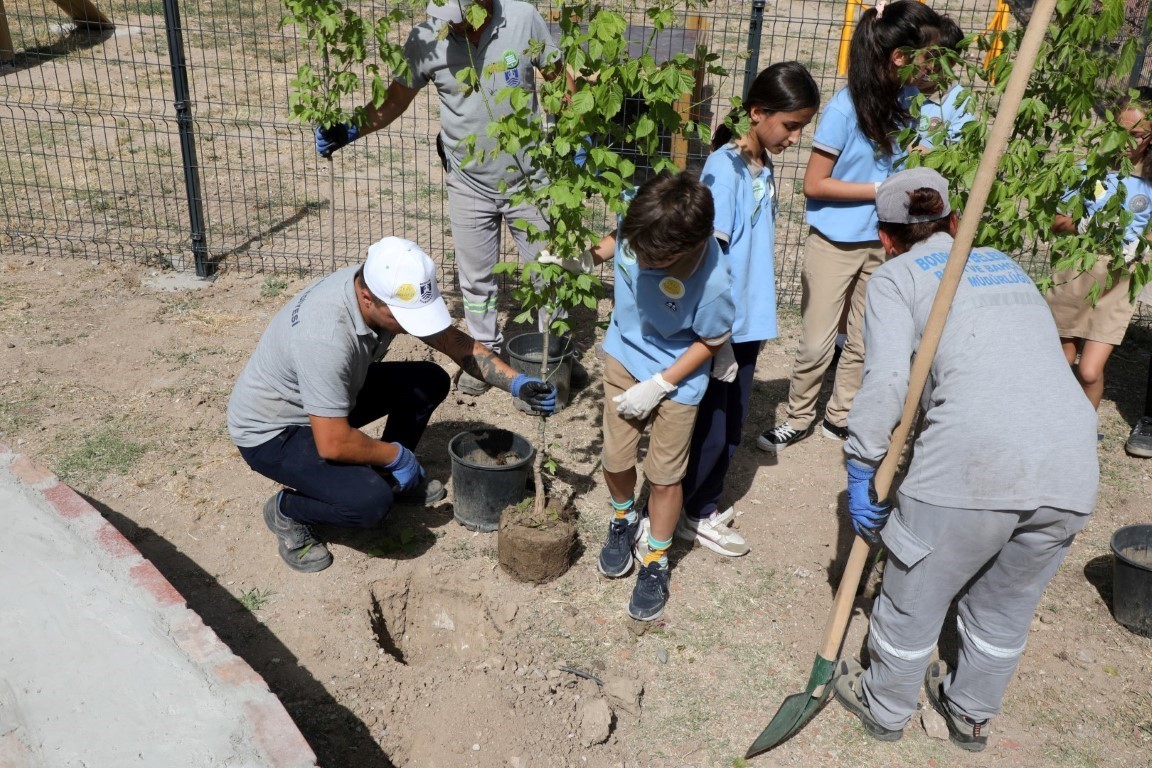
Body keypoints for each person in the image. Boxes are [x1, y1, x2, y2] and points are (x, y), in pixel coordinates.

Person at [833, 168, 1099, 752]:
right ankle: (972, 713)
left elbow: (883, 384)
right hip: (1071, 467)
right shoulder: (1004, 261)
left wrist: (861, 464)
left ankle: (885, 706)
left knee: (913, 597)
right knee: (1007, 604)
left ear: (886, 238)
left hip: (967, 465)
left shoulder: (894, 278)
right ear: (954, 223)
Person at [226, 237, 556, 573]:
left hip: (330, 397)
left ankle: (389, 475)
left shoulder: (375, 287)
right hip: (275, 431)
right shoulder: (325, 337)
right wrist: (396, 455)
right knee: (369, 503)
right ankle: (288, 509)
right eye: (404, 317)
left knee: (429, 380)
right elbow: (332, 442)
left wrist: (516, 382)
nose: (414, 326)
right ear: (367, 299)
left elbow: (451, 341)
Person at [314, 0, 574, 396]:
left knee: (547, 272)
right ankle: (485, 353)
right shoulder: (426, 38)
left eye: (460, 20)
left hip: (531, 180)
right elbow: (395, 100)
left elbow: (558, 78)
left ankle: (552, 354)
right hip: (469, 182)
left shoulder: (524, 19)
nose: (453, 29)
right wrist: (351, 129)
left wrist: (577, 133)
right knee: (476, 278)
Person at [757, 0, 945, 453]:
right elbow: (815, 184)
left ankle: (839, 416)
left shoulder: (912, 102)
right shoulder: (846, 108)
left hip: (884, 242)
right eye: (927, 55)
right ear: (899, 57)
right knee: (818, 342)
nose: (934, 66)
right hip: (835, 243)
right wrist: (884, 188)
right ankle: (798, 416)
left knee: (863, 337)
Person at [676, 62, 820, 557]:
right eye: (790, 126)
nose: (795, 137)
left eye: (801, 127)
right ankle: (696, 512)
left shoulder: (763, 164)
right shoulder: (725, 167)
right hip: (726, 324)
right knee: (716, 422)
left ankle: (699, 502)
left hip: (749, 318)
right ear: (758, 113)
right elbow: (711, 257)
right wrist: (716, 340)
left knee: (730, 416)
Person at [594, 171, 735, 621]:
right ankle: (622, 518)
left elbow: (710, 341)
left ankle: (655, 558)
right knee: (615, 458)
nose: (639, 260)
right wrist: (583, 256)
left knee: (664, 475)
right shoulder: (642, 220)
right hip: (624, 354)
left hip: (677, 376)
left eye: (652, 258)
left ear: (687, 250)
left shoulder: (712, 282)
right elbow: (616, 239)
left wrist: (660, 384)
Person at [1045, 89, 1152, 410]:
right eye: (1120, 131)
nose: (1127, 141)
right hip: (1075, 271)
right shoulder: (1089, 172)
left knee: (1090, 372)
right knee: (1060, 359)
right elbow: (1057, 222)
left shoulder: (1148, 183)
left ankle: (1083, 432)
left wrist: (1139, 244)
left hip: (1119, 280)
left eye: (1137, 135)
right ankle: (1049, 421)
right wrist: (1086, 226)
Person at [914, 14, 974, 150]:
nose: (926, 67)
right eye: (924, 57)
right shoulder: (903, 90)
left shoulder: (959, 102)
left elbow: (956, 152)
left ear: (951, 63)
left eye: (934, 61)